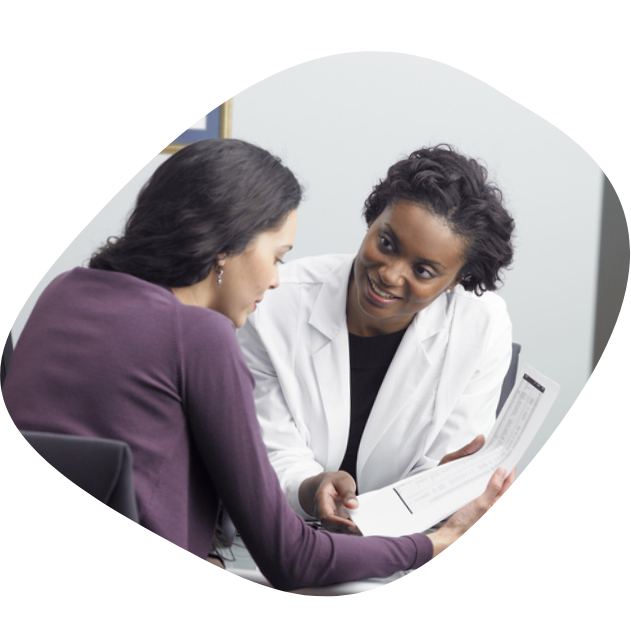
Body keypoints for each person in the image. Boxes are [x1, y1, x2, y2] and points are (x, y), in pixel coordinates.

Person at [3, 139, 513, 591]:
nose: (275, 281)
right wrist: (433, 546)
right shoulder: (203, 336)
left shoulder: (64, 289)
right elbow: (289, 555)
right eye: (278, 255)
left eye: (423, 271)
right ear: (227, 249)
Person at [237, 144, 516, 533]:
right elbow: (270, 449)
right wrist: (311, 489)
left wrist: (442, 488)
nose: (390, 274)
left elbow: (442, 467)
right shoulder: (274, 300)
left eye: (423, 271)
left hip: (406, 551)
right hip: (283, 535)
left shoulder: (482, 327)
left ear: (456, 281)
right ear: (373, 219)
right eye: (387, 244)